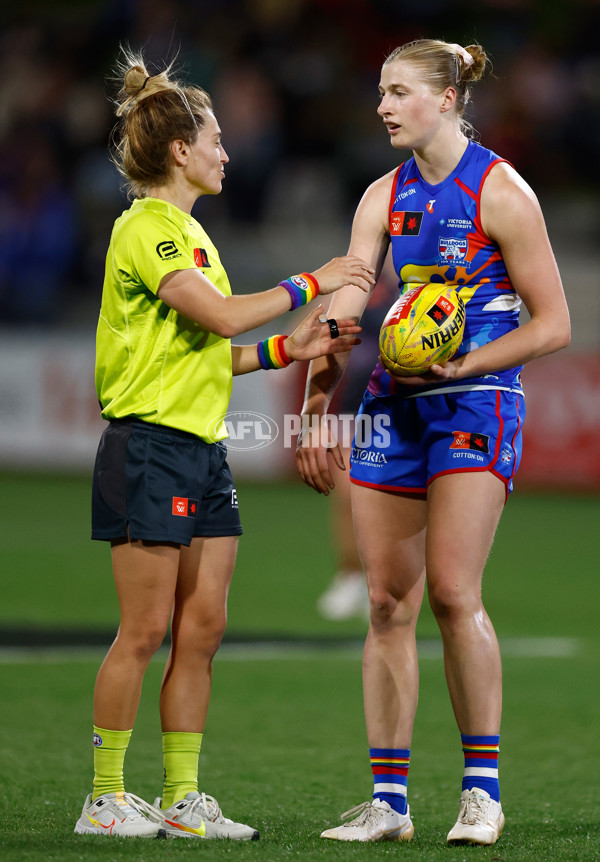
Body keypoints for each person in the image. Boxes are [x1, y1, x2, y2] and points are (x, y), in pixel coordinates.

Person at [74, 50, 374, 841]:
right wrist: (312, 281)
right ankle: (104, 798)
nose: (226, 152)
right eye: (214, 140)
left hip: (202, 450)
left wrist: (292, 348)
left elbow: (218, 348)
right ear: (180, 150)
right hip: (150, 447)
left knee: (202, 629)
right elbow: (219, 318)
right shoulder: (147, 229)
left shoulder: (194, 239)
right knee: (142, 631)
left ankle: (180, 798)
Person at [296, 38, 570, 846]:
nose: (381, 105)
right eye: (379, 91)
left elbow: (555, 324)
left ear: (446, 99)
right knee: (386, 602)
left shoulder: (502, 191)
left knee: (453, 593)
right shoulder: (381, 196)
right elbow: (346, 311)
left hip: (478, 402)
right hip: (394, 405)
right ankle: (390, 803)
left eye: (398, 91)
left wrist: (466, 362)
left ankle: (481, 793)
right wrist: (318, 410)